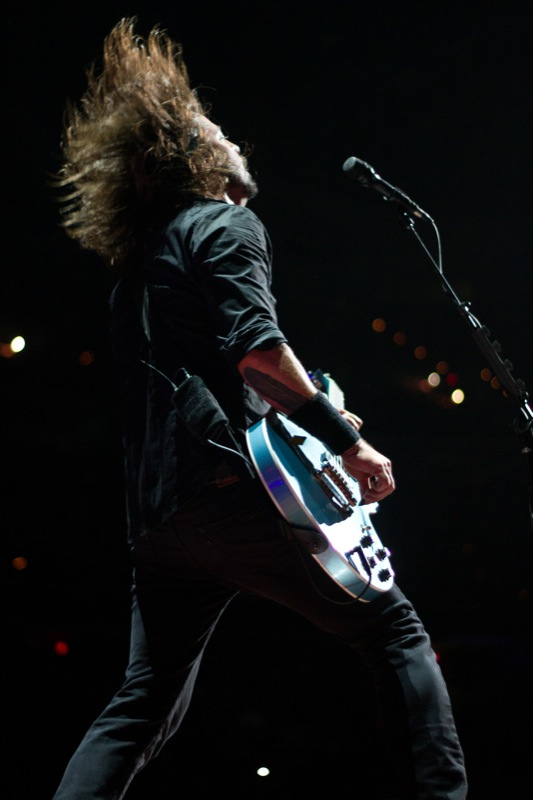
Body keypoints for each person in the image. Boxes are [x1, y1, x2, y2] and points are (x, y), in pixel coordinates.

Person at [52, 17, 467, 800]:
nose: (228, 134)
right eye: (213, 128)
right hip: (230, 491)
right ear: (197, 157)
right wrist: (344, 440)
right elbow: (257, 354)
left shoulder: (138, 273)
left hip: (159, 522)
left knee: (144, 701)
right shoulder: (225, 221)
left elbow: (221, 373)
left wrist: (308, 412)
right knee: (394, 631)